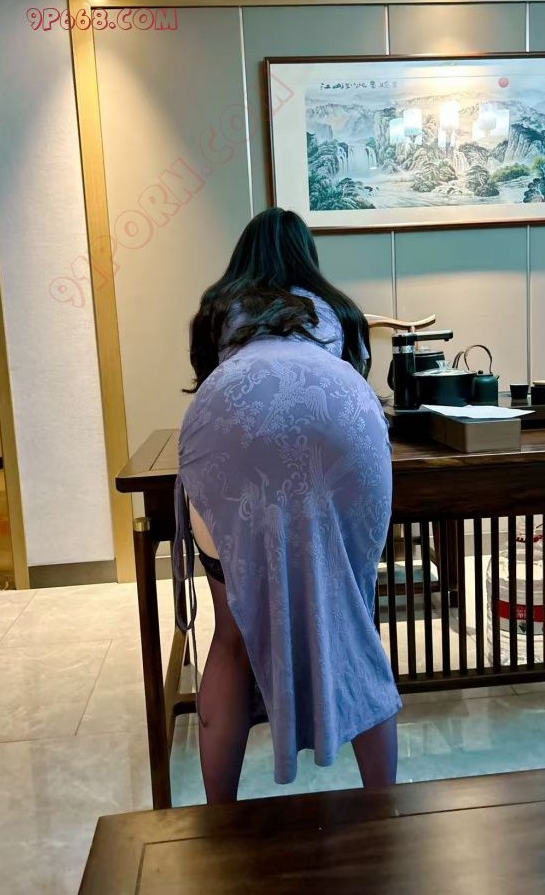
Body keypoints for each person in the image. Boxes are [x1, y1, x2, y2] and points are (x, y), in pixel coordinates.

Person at [174, 207, 401, 804]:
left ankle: (220, 814)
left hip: (230, 425)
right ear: (307, 256)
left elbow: (208, 382)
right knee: (354, 620)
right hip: (341, 424)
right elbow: (356, 381)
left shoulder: (216, 309)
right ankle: (384, 808)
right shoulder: (342, 311)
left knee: (229, 636)